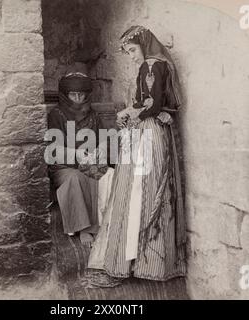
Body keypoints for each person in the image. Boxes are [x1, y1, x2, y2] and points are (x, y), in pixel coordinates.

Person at [87, 26, 186, 283]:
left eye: (132, 50)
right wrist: (132, 112)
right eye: (128, 52)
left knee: (137, 192)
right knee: (149, 190)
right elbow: (154, 104)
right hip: (153, 133)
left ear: (143, 44)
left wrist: (130, 115)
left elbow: (150, 105)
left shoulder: (151, 65)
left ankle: (131, 261)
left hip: (146, 133)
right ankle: (150, 263)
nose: (131, 56)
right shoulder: (160, 64)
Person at [46, 71, 111, 246]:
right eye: (73, 94)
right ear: (66, 96)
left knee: (108, 175)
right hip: (62, 166)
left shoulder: (93, 115)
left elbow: (104, 138)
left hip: (87, 163)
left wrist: (101, 149)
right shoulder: (56, 115)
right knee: (75, 178)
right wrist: (76, 154)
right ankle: (84, 229)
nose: (78, 98)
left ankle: (109, 225)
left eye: (81, 94)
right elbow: (52, 150)